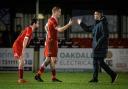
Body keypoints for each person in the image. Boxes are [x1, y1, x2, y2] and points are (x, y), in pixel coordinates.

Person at [77, 10, 117, 83]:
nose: (95, 15)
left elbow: (105, 35)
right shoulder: (96, 24)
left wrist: (98, 44)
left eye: (96, 14)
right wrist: (81, 23)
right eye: (94, 14)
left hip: (101, 46)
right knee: (95, 62)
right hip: (96, 46)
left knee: (100, 63)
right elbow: (88, 29)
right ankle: (95, 78)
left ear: (100, 15)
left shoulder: (103, 23)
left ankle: (113, 74)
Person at [34, 6, 72, 82]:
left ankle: (47, 76)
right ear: (55, 12)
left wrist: (48, 33)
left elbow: (45, 26)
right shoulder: (53, 20)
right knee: (52, 60)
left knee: (50, 60)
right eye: (59, 12)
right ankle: (41, 75)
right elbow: (60, 30)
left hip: (51, 41)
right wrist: (69, 24)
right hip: (51, 42)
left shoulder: (51, 19)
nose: (60, 13)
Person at [12, 18, 39, 83]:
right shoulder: (29, 29)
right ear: (34, 24)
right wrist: (23, 50)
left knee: (22, 62)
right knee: (21, 61)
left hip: (18, 45)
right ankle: (20, 79)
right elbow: (25, 40)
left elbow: (22, 37)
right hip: (18, 46)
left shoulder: (29, 29)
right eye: (38, 23)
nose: (38, 25)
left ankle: (20, 79)